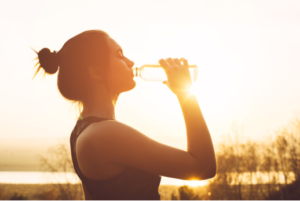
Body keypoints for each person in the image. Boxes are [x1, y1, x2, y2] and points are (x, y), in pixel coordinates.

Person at [33, 30, 216, 201]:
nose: (130, 62)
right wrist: (185, 94)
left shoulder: (82, 131)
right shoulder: (104, 134)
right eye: (119, 55)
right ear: (97, 72)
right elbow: (203, 166)